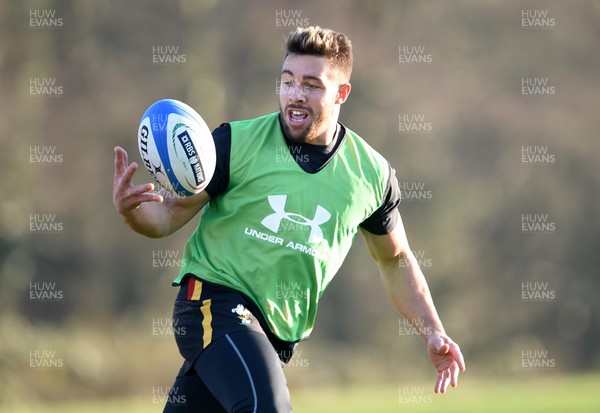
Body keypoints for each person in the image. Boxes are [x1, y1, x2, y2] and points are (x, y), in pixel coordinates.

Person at [113, 26, 465, 413]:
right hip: (212, 303)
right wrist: (133, 210)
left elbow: (395, 259)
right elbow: (166, 217)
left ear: (341, 93)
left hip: (276, 335)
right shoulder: (235, 142)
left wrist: (433, 331)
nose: (296, 95)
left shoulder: (371, 175)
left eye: (311, 85)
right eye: (288, 81)